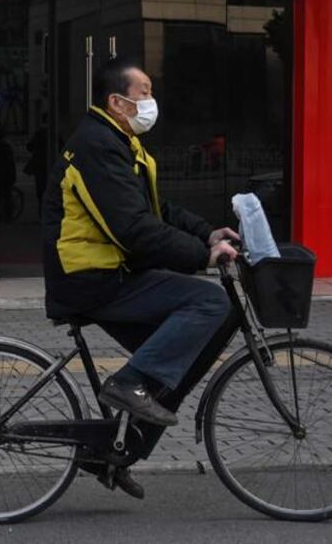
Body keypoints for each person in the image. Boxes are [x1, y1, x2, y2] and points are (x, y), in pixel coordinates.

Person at [42, 58, 240, 498]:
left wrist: (206, 233)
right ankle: (126, 383)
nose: (152, 101)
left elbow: (156, 209)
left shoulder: (120, 143)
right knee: (209, 302)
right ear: (118, 102)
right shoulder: (97, 146)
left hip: (108, 273)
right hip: (89, 277)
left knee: (181, 360)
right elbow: (133, 228)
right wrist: (202, 257)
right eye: (145, 92)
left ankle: (116, 451)